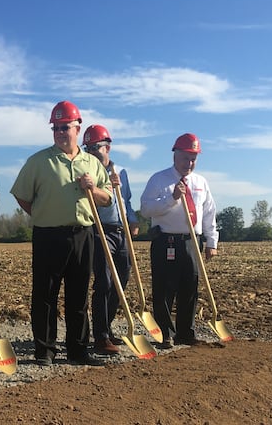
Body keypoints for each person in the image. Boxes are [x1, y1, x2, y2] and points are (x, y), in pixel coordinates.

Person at [10, 100, 112, 367]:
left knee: (78, 294)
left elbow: (107, 199)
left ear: (77, 128)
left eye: (65, 127)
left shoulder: (92, 163)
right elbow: (22, 197)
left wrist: (94, 188)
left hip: (83, 234)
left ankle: (78, 350)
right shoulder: (38, 161)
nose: (60, 132)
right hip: (48, 235)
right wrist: (44, 212)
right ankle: (45, 350)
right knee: (45, 295)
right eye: (55, 128)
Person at [139, 132, 219, 348]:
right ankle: (164, 334)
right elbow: (146, 209)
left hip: (192, 241)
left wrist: (212, 241)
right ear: (175, 155)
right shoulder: (159, 179)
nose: (189, 163)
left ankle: (185, 332)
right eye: (185, 158)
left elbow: (209, 212)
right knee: (165, 288)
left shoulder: (200, 182)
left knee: (189, 287)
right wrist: (171, 198)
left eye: (193, 159)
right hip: (167, 241)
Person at [82, 125, 140, 355]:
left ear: (107, 146)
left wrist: (133, 220)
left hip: (120, 229)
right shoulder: (88, 172)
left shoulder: (122, 171)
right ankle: (101, 336)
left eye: (95, 147)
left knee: (122, 278)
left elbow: (126, 200)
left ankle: (106, 325)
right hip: (99, 230)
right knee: (104, 282)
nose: (92, 152)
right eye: (88, 148)